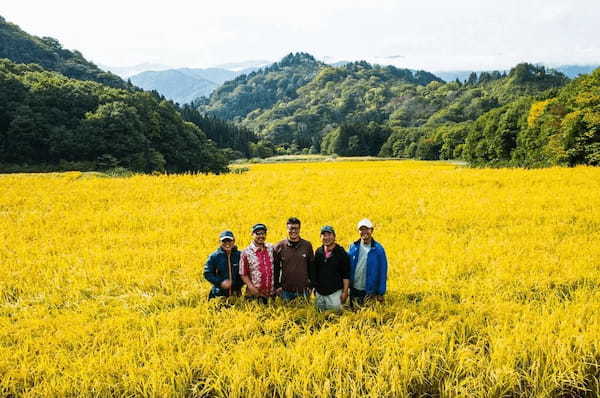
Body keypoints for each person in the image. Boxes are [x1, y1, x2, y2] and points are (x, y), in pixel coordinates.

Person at [348, 218, 388, 307]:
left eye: (367, 229)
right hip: (354, 289)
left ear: (372, 230)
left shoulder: (378, 249)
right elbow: (347, 267)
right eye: (361, 229)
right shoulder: (353, 247)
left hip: (370, 291)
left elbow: (383, 272)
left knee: (368, 316)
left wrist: (381, 292)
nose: (364, 232)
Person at [309, 226, 350, 311]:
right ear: (321, 237)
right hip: (320, 293)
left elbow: (346, 274)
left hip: (335, 293)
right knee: (319, 316)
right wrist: (313, 288)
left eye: (329, 235)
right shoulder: (318, 252)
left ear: (334, 237)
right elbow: (315, 271)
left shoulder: (341, 253)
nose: (326, 238)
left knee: (334, 318)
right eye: (324, 235)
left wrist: (345, 292)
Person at [273, 217, 314, 301]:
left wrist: (311, 286)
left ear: (299, 229)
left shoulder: (307, 245)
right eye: (291, 228)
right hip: (285, 291)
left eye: (296, 228)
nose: (294, 231)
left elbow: (312, 267)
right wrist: (277, 287)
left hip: (303, 291)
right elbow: (275, 269)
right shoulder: (279, 246)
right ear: (287, 229)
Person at [239, 223, 276, 304]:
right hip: (254, 294)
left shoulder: (271, 248)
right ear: (252, 234)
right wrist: (252, 288)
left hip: (271, 294)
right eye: (258, 234)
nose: (261, 236)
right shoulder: (246, 252)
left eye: (263, 233)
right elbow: (243, 273)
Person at [203, 230, 244, 299]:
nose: (227, 243)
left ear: (234, 241)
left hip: (236, 295)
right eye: (224, 241)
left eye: (229, 241)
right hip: (218, 295)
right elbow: (207, 273)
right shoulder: (214, 256)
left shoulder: (240, 255)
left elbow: (245, 273)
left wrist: (238, 285)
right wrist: (221, 282)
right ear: (219, 242)